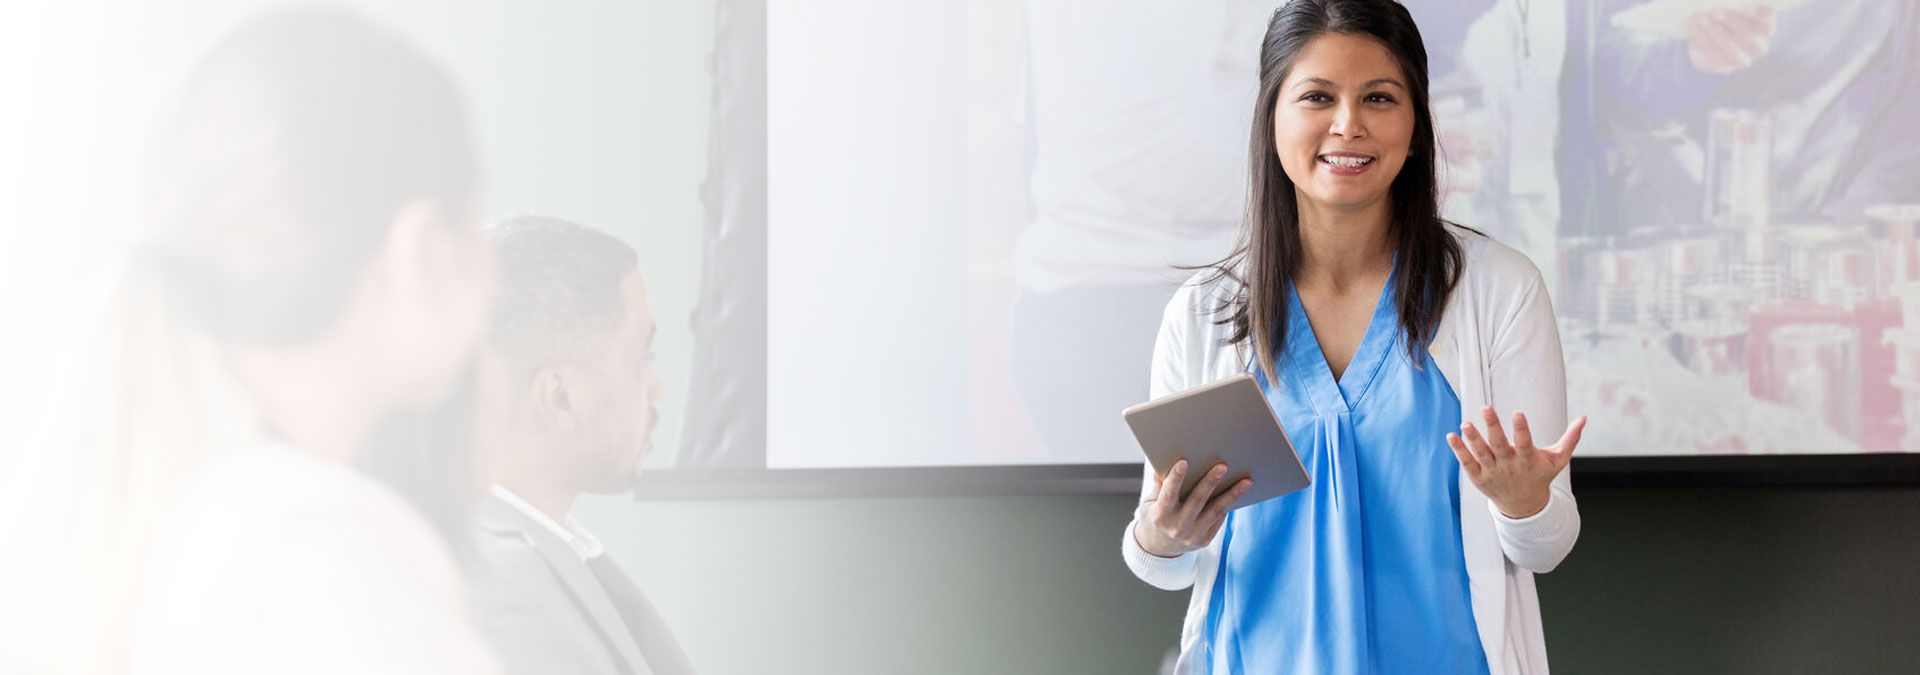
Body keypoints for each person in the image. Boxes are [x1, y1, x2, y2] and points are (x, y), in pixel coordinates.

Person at [1, 7, 506, 675]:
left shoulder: (193, 519)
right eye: (477, 227)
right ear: (423, 250)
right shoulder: (320, 556)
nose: (494, 277)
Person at [1119, 1, 1585, 674]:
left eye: (1379, 97)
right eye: (1317, 97)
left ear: (1416, 125)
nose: (1348, 124)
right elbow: (1160, 564)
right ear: (1272, 119)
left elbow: (1545, 546)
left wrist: (1523, 502)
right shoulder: (1204, 311)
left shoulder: (1500, 291)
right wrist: (1163, 534)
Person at [470, 215, 695, 675]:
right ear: (561, 396)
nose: (657, 388)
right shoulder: (500, 597)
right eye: (641, 358)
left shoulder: (547, 555)